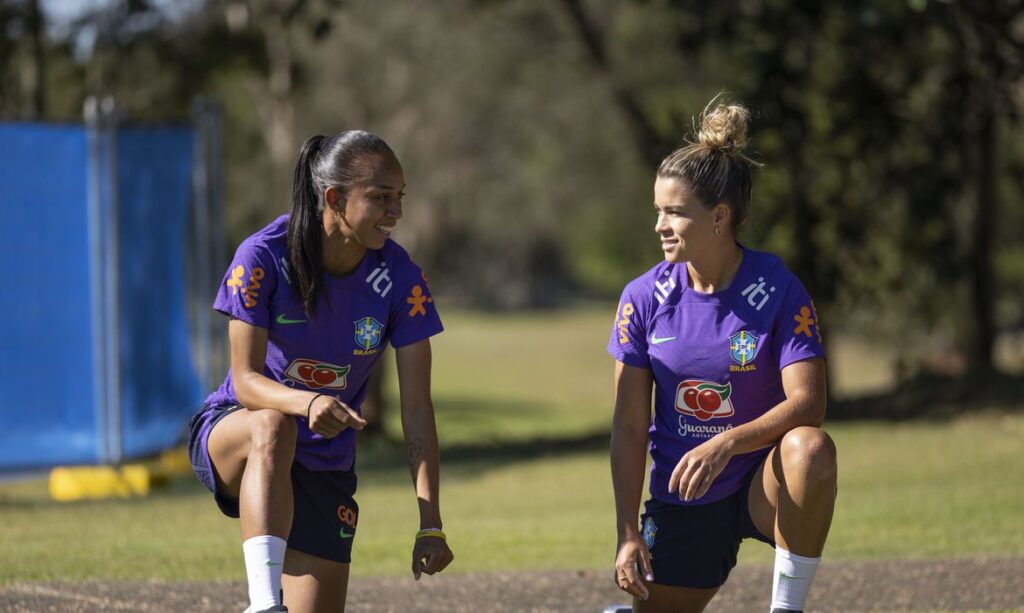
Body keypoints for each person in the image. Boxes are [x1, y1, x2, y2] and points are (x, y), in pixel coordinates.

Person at [187, 130, 454, 612]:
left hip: (324, 464)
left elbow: (416, 407)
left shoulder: (402, 280)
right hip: (239, 431)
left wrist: (429, 522)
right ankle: (264, 604)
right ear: (333, 198)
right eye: (380, 198)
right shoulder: (262, 256)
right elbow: (246, 382)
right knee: (273, 425)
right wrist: (307, 403)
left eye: (400, 198)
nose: (396, 213)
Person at [607, 100, 837, 613]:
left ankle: (787, 609)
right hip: (685, 494)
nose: (660, 225)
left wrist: (728, 444)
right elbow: (628, 425)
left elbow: (808, 404)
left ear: (718, 217)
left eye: (674, 212)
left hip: (763, 481)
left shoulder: (778, 287)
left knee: (811, 448)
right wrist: (627, 534)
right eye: (658, 211)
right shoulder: (642, 298)